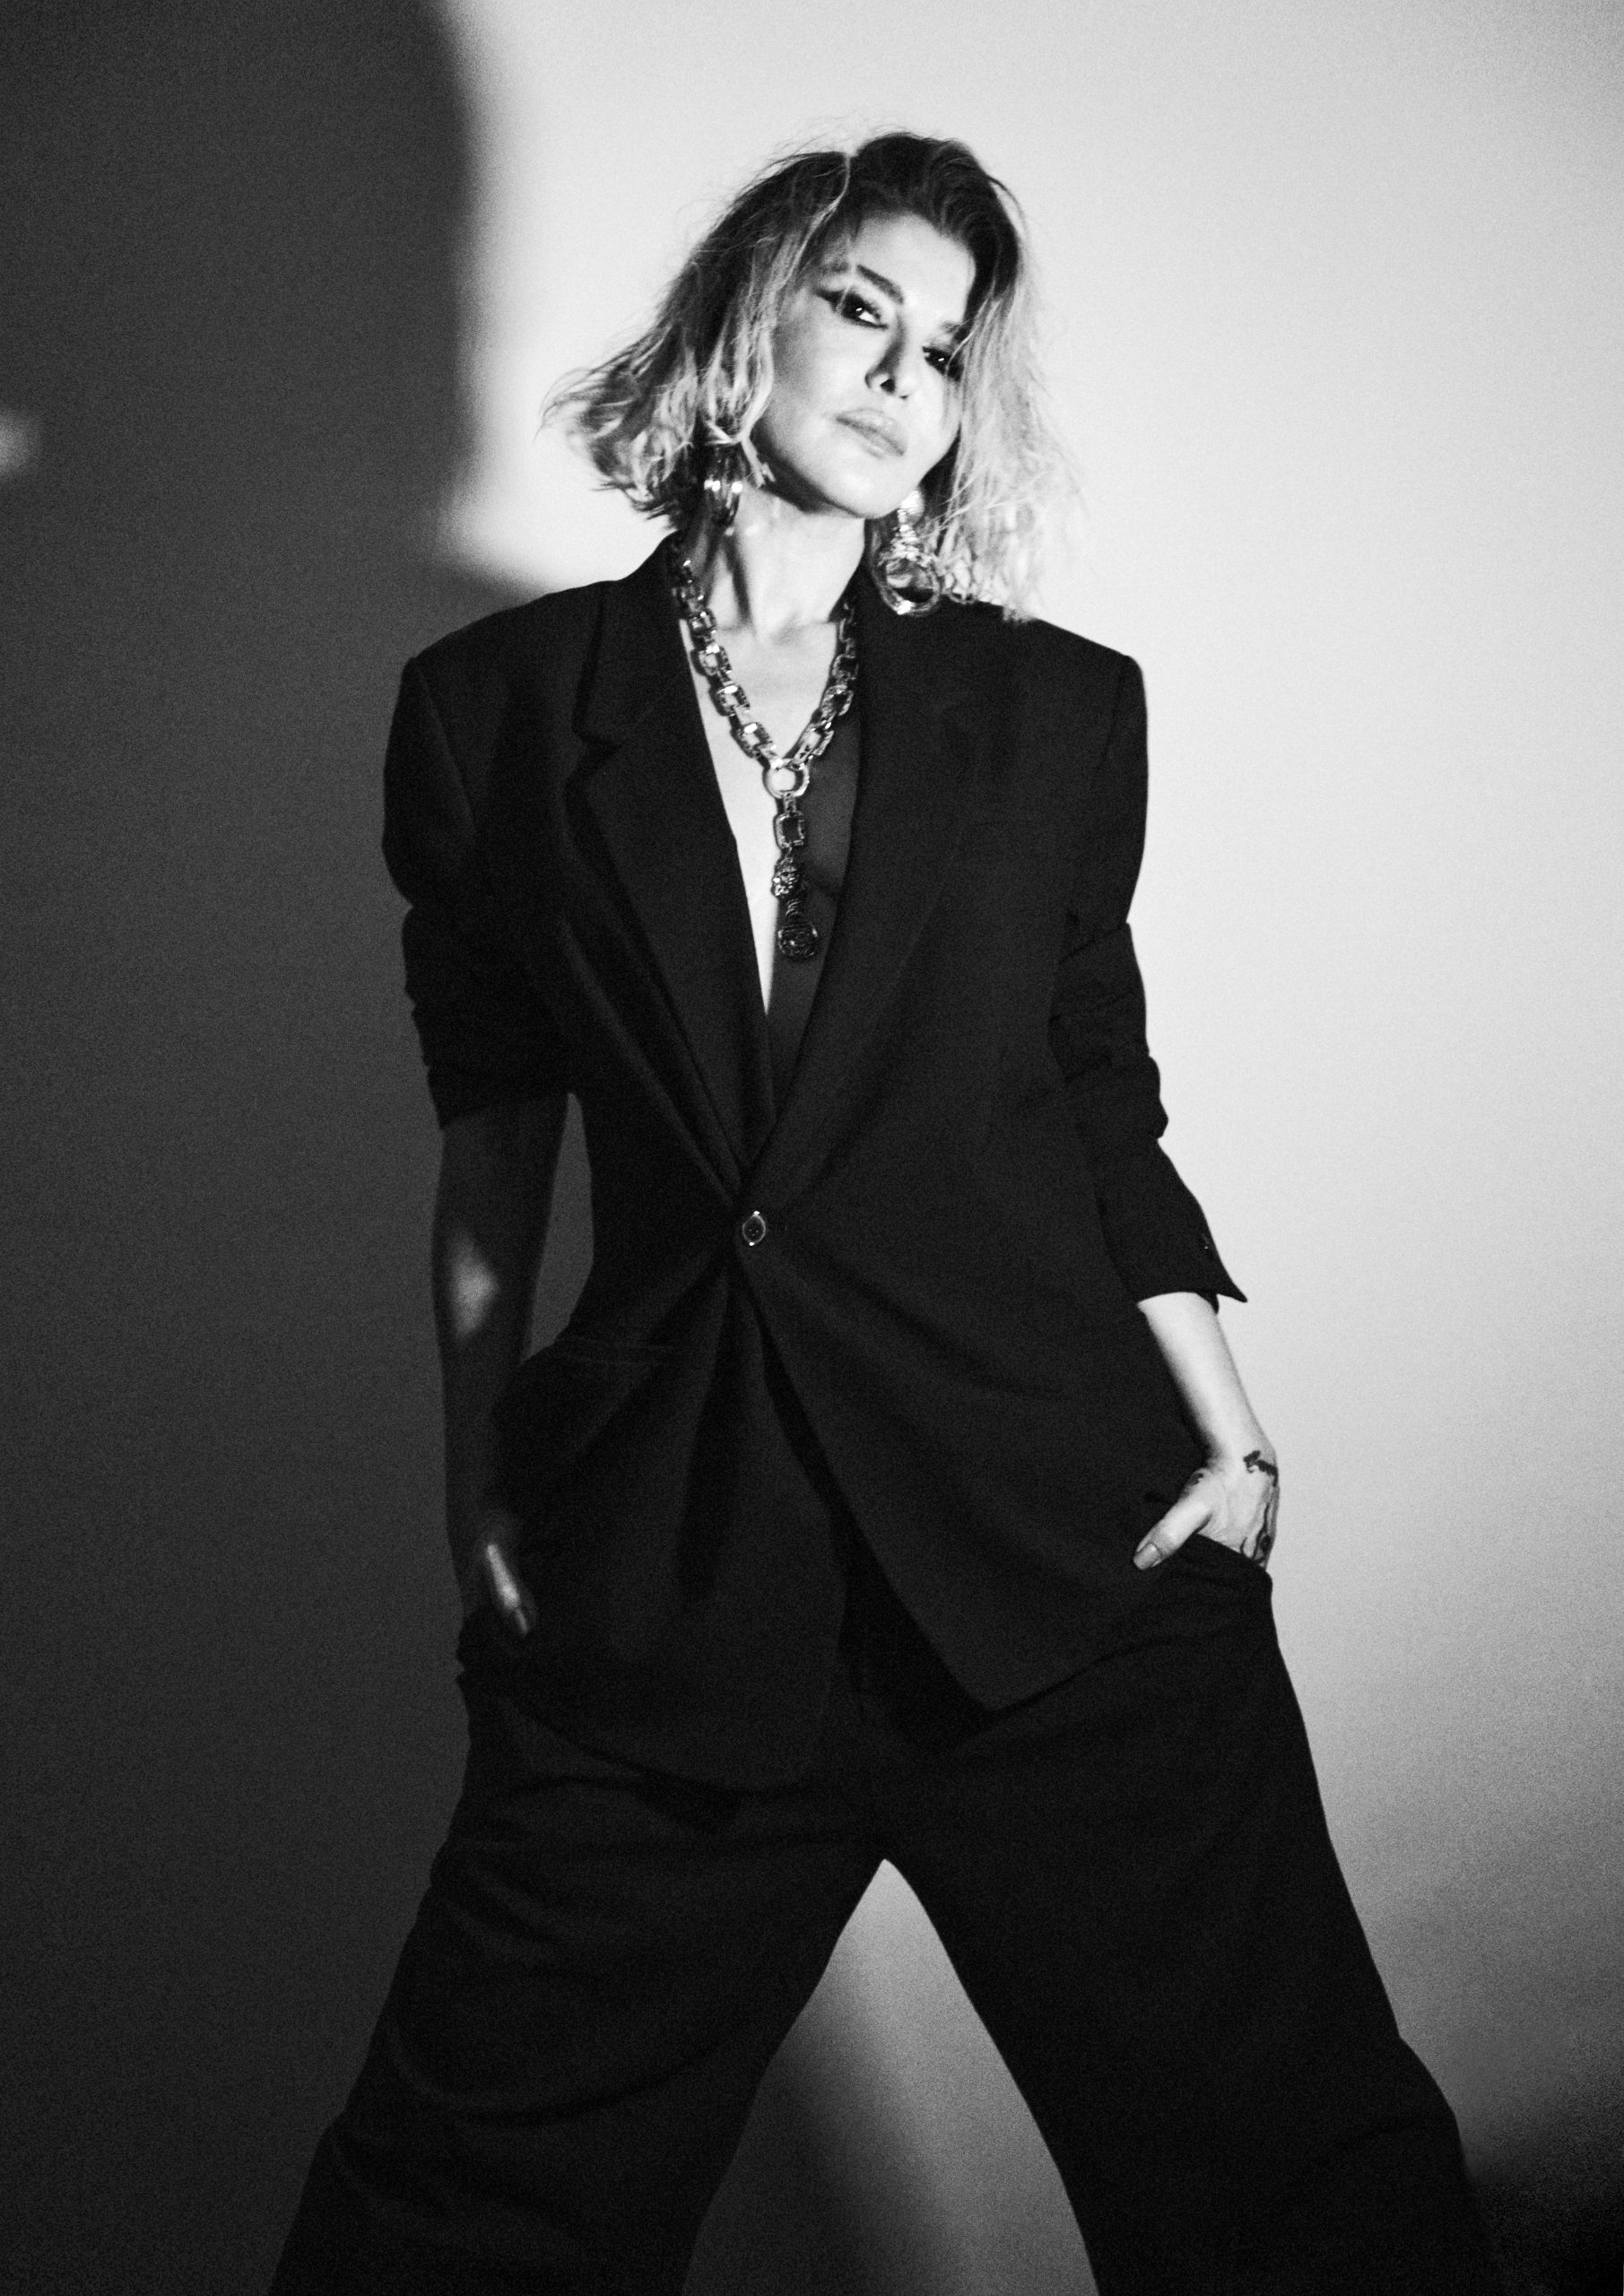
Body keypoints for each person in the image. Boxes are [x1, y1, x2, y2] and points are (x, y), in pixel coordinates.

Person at [271, 134, 1499, 2295]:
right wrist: (479, 1472)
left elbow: (1097, 1093)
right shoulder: (490, 715)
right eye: (862, 309)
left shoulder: (1056, 710)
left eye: (946, 350)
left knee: (1300, 2199)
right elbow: (495, 1132)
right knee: (456, 2222)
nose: (903, 375)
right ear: (745, 318)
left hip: (1058, 1557)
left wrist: (1231, 1431)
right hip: (671, 1566)